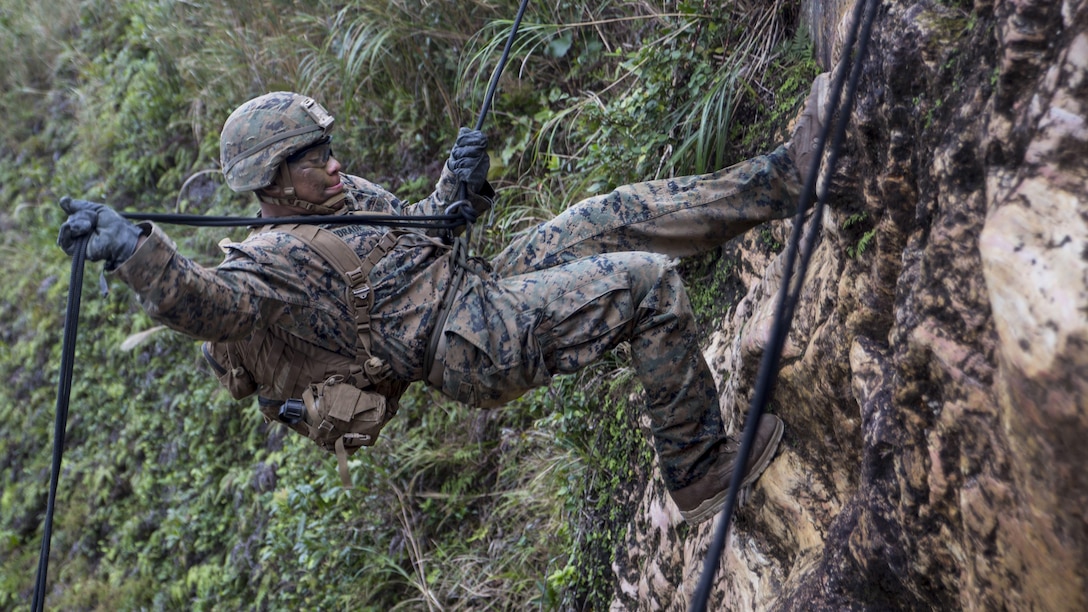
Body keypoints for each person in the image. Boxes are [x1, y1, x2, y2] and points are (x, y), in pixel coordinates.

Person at [58, 73, 829, 524]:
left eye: (326, 148)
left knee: (617, 212)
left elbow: (423, 234)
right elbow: (206, 302)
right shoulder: (271, 266)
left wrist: (456, 191)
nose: (331, 164)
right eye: (309, 157)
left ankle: (791, 176)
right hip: (464, 344)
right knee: (645, 286)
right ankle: (696, 469)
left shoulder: (344, 194)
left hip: (473, 286)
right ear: (269, 180)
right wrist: (137, 253)